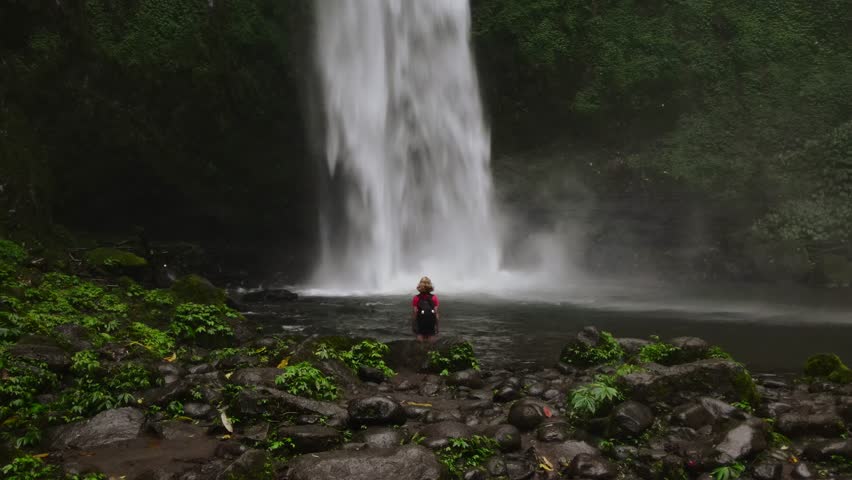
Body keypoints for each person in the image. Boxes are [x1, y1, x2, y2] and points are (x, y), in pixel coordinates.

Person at [411, 276, 439, 342]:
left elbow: (415, 313)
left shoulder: (416, 298)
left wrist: (413, 325)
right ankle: (430, 351)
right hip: (431, 320)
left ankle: (420, 350)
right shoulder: (434, 297)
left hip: (421, 320)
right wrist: (437, 326)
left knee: (420, 335)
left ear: (420, 285)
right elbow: (436, 313)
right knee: (431, 337)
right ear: (430, 286)